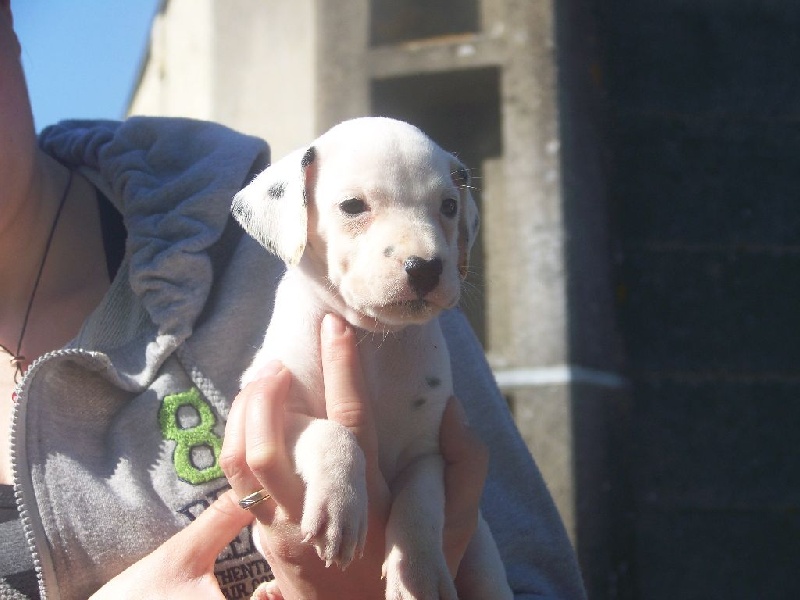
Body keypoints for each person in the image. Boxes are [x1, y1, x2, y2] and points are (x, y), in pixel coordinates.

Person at [0, 2, 586, 599]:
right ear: (291, 213)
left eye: (446, 210)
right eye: (355, 208)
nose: (424, 250)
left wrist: (415, 537)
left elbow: (450, 479)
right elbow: (290, 429)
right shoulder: (298, 264)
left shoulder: (393, 313)